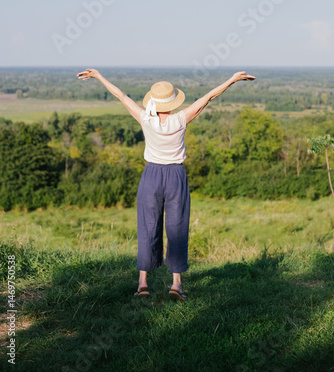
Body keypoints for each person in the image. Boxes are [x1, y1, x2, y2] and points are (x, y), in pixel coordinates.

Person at [77, 68, 256, 300]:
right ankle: (176, 285)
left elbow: (121, 95)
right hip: (176, 177)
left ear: (153, 101)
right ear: (172, 103)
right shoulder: (180, 119)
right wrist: (232, 80)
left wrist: (99, 76)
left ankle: (142, 283)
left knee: (147, 227)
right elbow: (209, 97)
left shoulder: (145, 118)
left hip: (151, 176)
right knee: (177, 228)